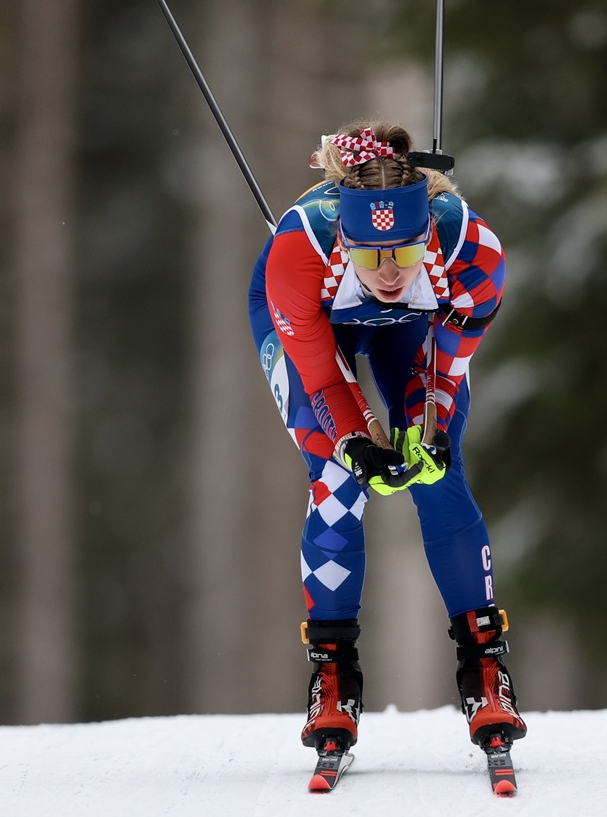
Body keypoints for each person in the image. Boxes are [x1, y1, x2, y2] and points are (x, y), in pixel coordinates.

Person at [247, 121, 528, 759]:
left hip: (415, 331)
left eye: (402, 252)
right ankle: (332, 676)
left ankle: (486, 670)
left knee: (435, 473)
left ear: (426, 235)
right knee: (339, 477)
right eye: (371, 255)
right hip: (316, 325)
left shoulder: (471, 251)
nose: (389, 272)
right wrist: (355, 439)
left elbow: (444, 370)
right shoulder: (299, 251)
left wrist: (424, 429)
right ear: (345, 239)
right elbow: (320, 378)